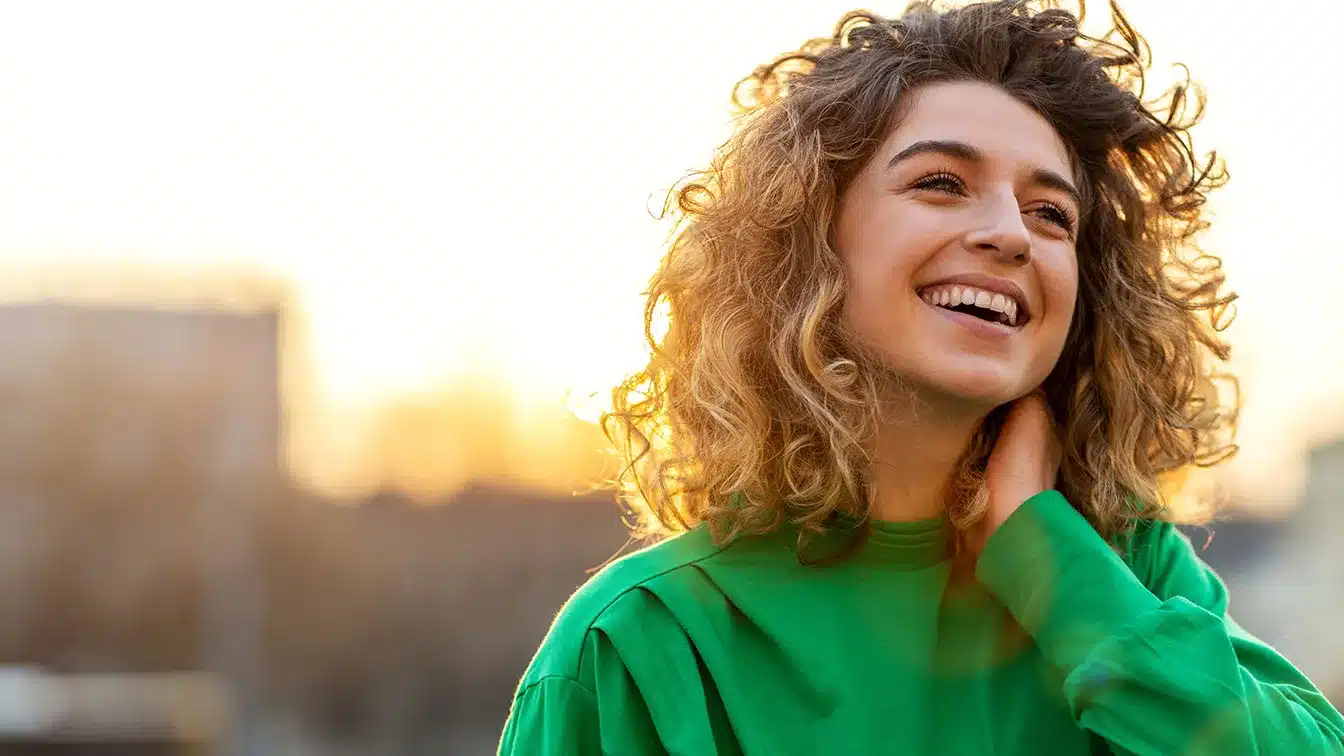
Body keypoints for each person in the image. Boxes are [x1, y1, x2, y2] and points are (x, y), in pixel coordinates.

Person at [498, 1, 1344, 753]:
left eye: (1052, 214)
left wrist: (1051, 567)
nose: (1011, 234)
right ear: (807, 244)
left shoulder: (1133, 577)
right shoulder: (639, 647)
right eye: (942, 183)